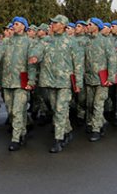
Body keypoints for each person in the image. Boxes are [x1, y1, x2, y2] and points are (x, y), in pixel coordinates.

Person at [30, 15, 83, 153]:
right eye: (52, 22)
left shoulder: (71, 42)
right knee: (56, 109)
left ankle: (58, 140)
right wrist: (35, 56)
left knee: (60, 110)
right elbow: (38, 50)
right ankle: (67, 130)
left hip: (64, 82)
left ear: (63, 25)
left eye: (55, 22)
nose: (52, 24)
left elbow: (78, 64)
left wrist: (78, 83)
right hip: (49, 80)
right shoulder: (47, 41)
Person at [0, 16, 36, 151]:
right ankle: (22, 132)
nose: (14, 25)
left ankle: (16, 138)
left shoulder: (29, 42)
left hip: (21, 82)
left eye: (17, 24)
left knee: (18, 111)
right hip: (7, 82)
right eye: (13, 23)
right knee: (11, 111)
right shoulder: (6, 42)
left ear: (23, 27)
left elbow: (32, 65)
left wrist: (31, 81)